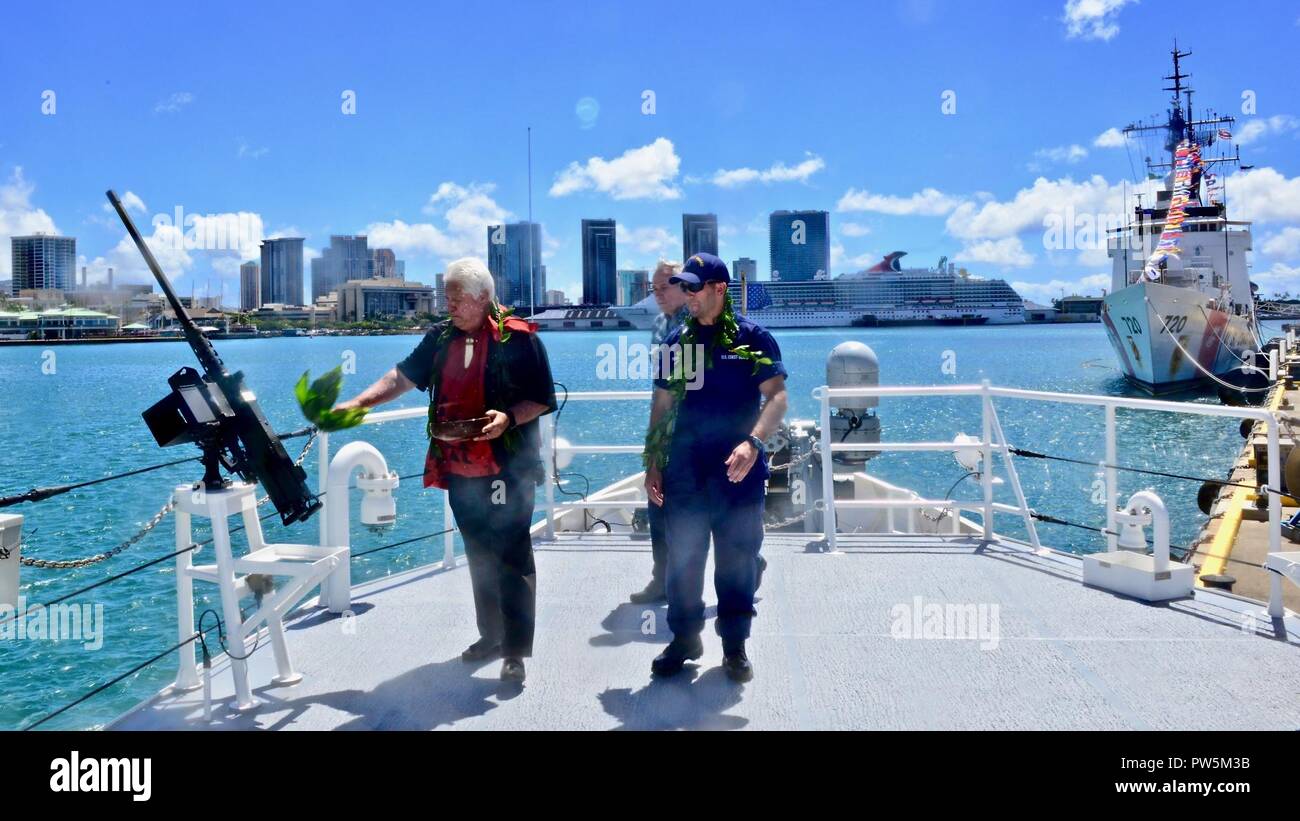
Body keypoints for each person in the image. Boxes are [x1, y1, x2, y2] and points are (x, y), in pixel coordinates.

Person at [333, 257, 556, 683]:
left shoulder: (521, 340)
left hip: (508, 468)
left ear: (485, 298)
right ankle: (490, 636)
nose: (449, 306)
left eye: (458, 299)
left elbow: (542, 398)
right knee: (478, 553)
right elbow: (401, 377)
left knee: (510, 554)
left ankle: (514, 652)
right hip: (460, 467)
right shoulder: (439, 338)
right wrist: (359, 404)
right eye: (447, 298)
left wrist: (508, 417)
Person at [643, 253, 787, 682]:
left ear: (719, 289)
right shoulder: (676, 344)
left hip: (737, 472)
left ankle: (734, 646)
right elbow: (662, 405)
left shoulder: (753, 339)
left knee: (737, 560)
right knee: (683, 560)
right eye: (681, 287)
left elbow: (776, 397)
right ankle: (685, 639)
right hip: (684, 471)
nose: (686, 294)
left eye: (694, 287)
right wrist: (652, 462)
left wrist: (754, 442)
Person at [629, 260, 689, 605]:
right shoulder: (662, 324)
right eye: (654, 288)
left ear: (685, 286)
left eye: (664, 287)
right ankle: (663, 578)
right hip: (669, 431)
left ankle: (748, 563)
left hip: (691, 434)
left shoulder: (696, 325)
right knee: (660, 505)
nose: (657, 294)